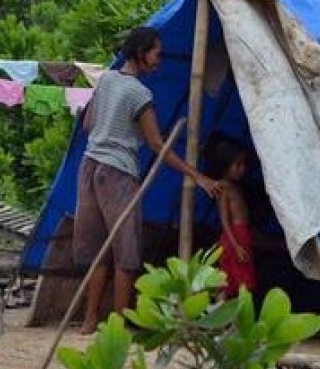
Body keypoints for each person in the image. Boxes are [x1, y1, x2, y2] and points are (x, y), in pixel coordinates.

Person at [75, 26, 222, 334]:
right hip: (118, 173)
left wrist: (114, 131)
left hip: (89, 167)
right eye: (156, 52)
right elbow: (158, 145)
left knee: (99, 251)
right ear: (142, 54)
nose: (159, 59)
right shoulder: (140, 94)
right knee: (125, 255)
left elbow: (89, 124)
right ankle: (117, 323)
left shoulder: (106, 81)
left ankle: (89, 322)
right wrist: (200, 178)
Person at [203, 133, 256, 298]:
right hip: (234, 237)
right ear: (225, 165)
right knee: (234, 280)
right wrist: (236, 245)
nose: (242, 169)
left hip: (242, 236)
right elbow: (224, 221)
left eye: (244, 164)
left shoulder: (236, 187)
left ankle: (231, 319)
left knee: (237, 279)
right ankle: (223, 316)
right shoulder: (223, 188)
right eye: (238, 165)